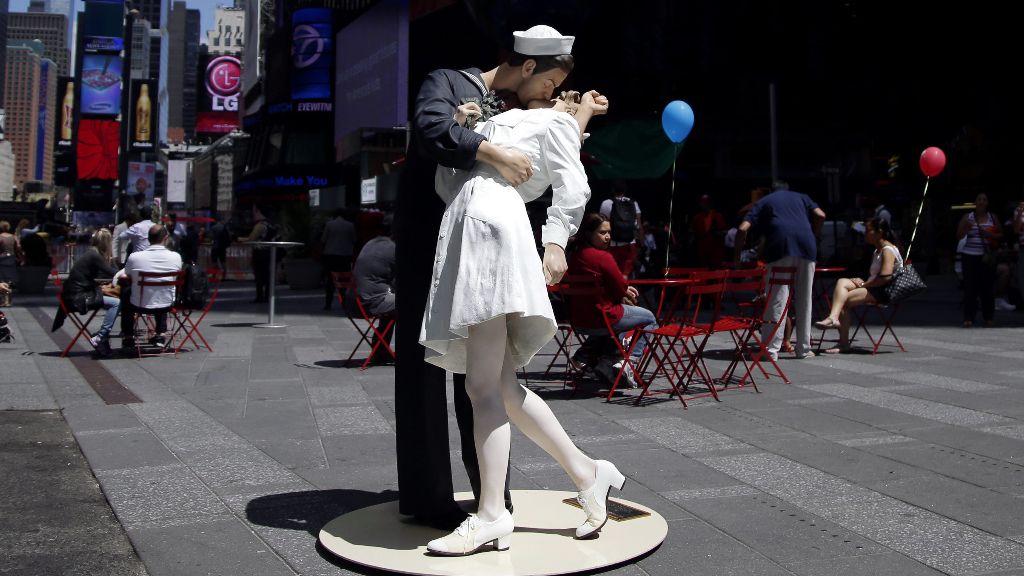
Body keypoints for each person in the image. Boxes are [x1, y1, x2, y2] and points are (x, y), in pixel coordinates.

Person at [421, 89, 623, 556]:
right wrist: (461, 134)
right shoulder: (501, 123)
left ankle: (492, 514)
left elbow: (573, 184)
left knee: (483, 388)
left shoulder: (554, 123)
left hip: (493, 237)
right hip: (471, 233)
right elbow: (449, 187)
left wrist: (556, 241)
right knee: (501, 388)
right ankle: (588, 473)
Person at [394, 24, 578, 530]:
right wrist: (487, 148)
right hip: (429, 241)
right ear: (525, 68)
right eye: (550, 83)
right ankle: (429, 497)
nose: (552, 94)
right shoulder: (449, 81)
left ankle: (490, 497)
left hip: (483, 249)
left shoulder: (519, 112)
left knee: (486, 376)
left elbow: (551, 170)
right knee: (427, 369)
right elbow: (431, 129)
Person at [734, 180, 826, 360]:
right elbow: (821, 215)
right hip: (807, 247)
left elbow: (742, 228)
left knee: (777, 298)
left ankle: (770, 350)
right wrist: (815, 235)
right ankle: (803, 349)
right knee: (805, 298)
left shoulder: (765, 201)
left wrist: (736, 257)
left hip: (780, 247)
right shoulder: (802, 198)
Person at [566, 212, 658, 382]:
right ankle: (629, 363)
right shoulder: (602, 257)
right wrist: (624, 289)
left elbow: (617, 288)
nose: (607, 237)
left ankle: (585, 356)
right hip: (604, 318)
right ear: (589, 233)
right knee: (650, 319)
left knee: (616, 321)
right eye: (602, 233)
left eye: (609, 232)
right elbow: (619, 289)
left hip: (579, 321)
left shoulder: (575, 256)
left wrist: (622, 289)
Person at [813, 218, 903, 353]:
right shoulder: (877, 250)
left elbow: (885, 277)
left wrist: (863, 284)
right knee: (842, 282)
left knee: (843, 300)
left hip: (883, 291)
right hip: (874, 287)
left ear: (879, 232)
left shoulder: (887, 250)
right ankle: (833, 318)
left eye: (868, 230)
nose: (865, 233)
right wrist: (862, 282)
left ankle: (842, 341)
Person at [116, 225, 183, 350]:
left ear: (148, 238)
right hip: (166, 304)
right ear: (166, 238)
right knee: (162, 290)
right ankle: (160, 334)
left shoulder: (135, 257)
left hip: (139, 303)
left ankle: (128, 336)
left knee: (126, 292)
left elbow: (127, 274)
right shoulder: (176, 257)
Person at [59, 229, 121, 357]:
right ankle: (101, 336)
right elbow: (113, 272)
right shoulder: (94, 256)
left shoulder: (92, 253)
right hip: (78, 298)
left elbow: (109, 271)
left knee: (113, 298)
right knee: (116, 303)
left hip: (74, 295)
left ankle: (102, 338)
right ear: (106, 243)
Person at [956, 192, 1002, 327]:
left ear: (987, 203)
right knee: (970, 288)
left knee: (987, 287)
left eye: (984, 199)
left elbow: (1000, 235)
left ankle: (988, 317)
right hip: (969, 256)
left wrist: (989, 234)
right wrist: (966, 229)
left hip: (986, 257)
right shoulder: (967, 217)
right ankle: (968, 317)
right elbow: (958, 236)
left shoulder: (992, 217)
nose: (981, 202)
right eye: (979, 199)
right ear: (975, 202)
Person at [599, 181, 643, 277]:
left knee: (612, 273)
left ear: (612, 190)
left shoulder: (606, 203)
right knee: (626, 274)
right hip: (630, 244)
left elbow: (602, 224)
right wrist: (642, 243)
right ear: (625, 190)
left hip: (613, 243)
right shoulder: (633, 203)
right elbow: (639, 225)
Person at [321, 209, 356, 310]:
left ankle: (328, 304)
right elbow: (354, 239)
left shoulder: (329, 224)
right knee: (343, 279)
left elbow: (323, 239)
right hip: (345, 255)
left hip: (331, 255)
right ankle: (344, 302)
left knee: (330, 280)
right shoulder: (350, 225)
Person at [238, 206, 273, 303]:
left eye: (254, 211)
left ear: (258, 212)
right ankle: (267, 296)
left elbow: (251, 239)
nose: (253, 214)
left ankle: (260, 296)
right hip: (268, 252)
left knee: (259, 276)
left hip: (259, 253)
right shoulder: (269, 225)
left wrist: (239, 239)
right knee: (267, 276)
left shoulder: (260, 226)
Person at [689, 194, 728, 269]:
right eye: (703, 202)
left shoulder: (717, 216)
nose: (705, 204)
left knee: (715, 272)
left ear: (711, 203)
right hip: (702, 250)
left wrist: (716, 233)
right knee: (702, 271)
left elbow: (724, 232)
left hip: (715, 251)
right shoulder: (697, 218)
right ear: (700, 204)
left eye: (707, 202)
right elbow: (692, 232)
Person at [0, 221, 24, 307]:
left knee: (2, 280)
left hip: (2, 259)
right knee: (9, 280)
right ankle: (8, 301)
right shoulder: (13, 237)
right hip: (11, 259)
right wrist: (20, 257)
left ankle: (4, 300)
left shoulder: (0, 237)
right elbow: (18, 247)